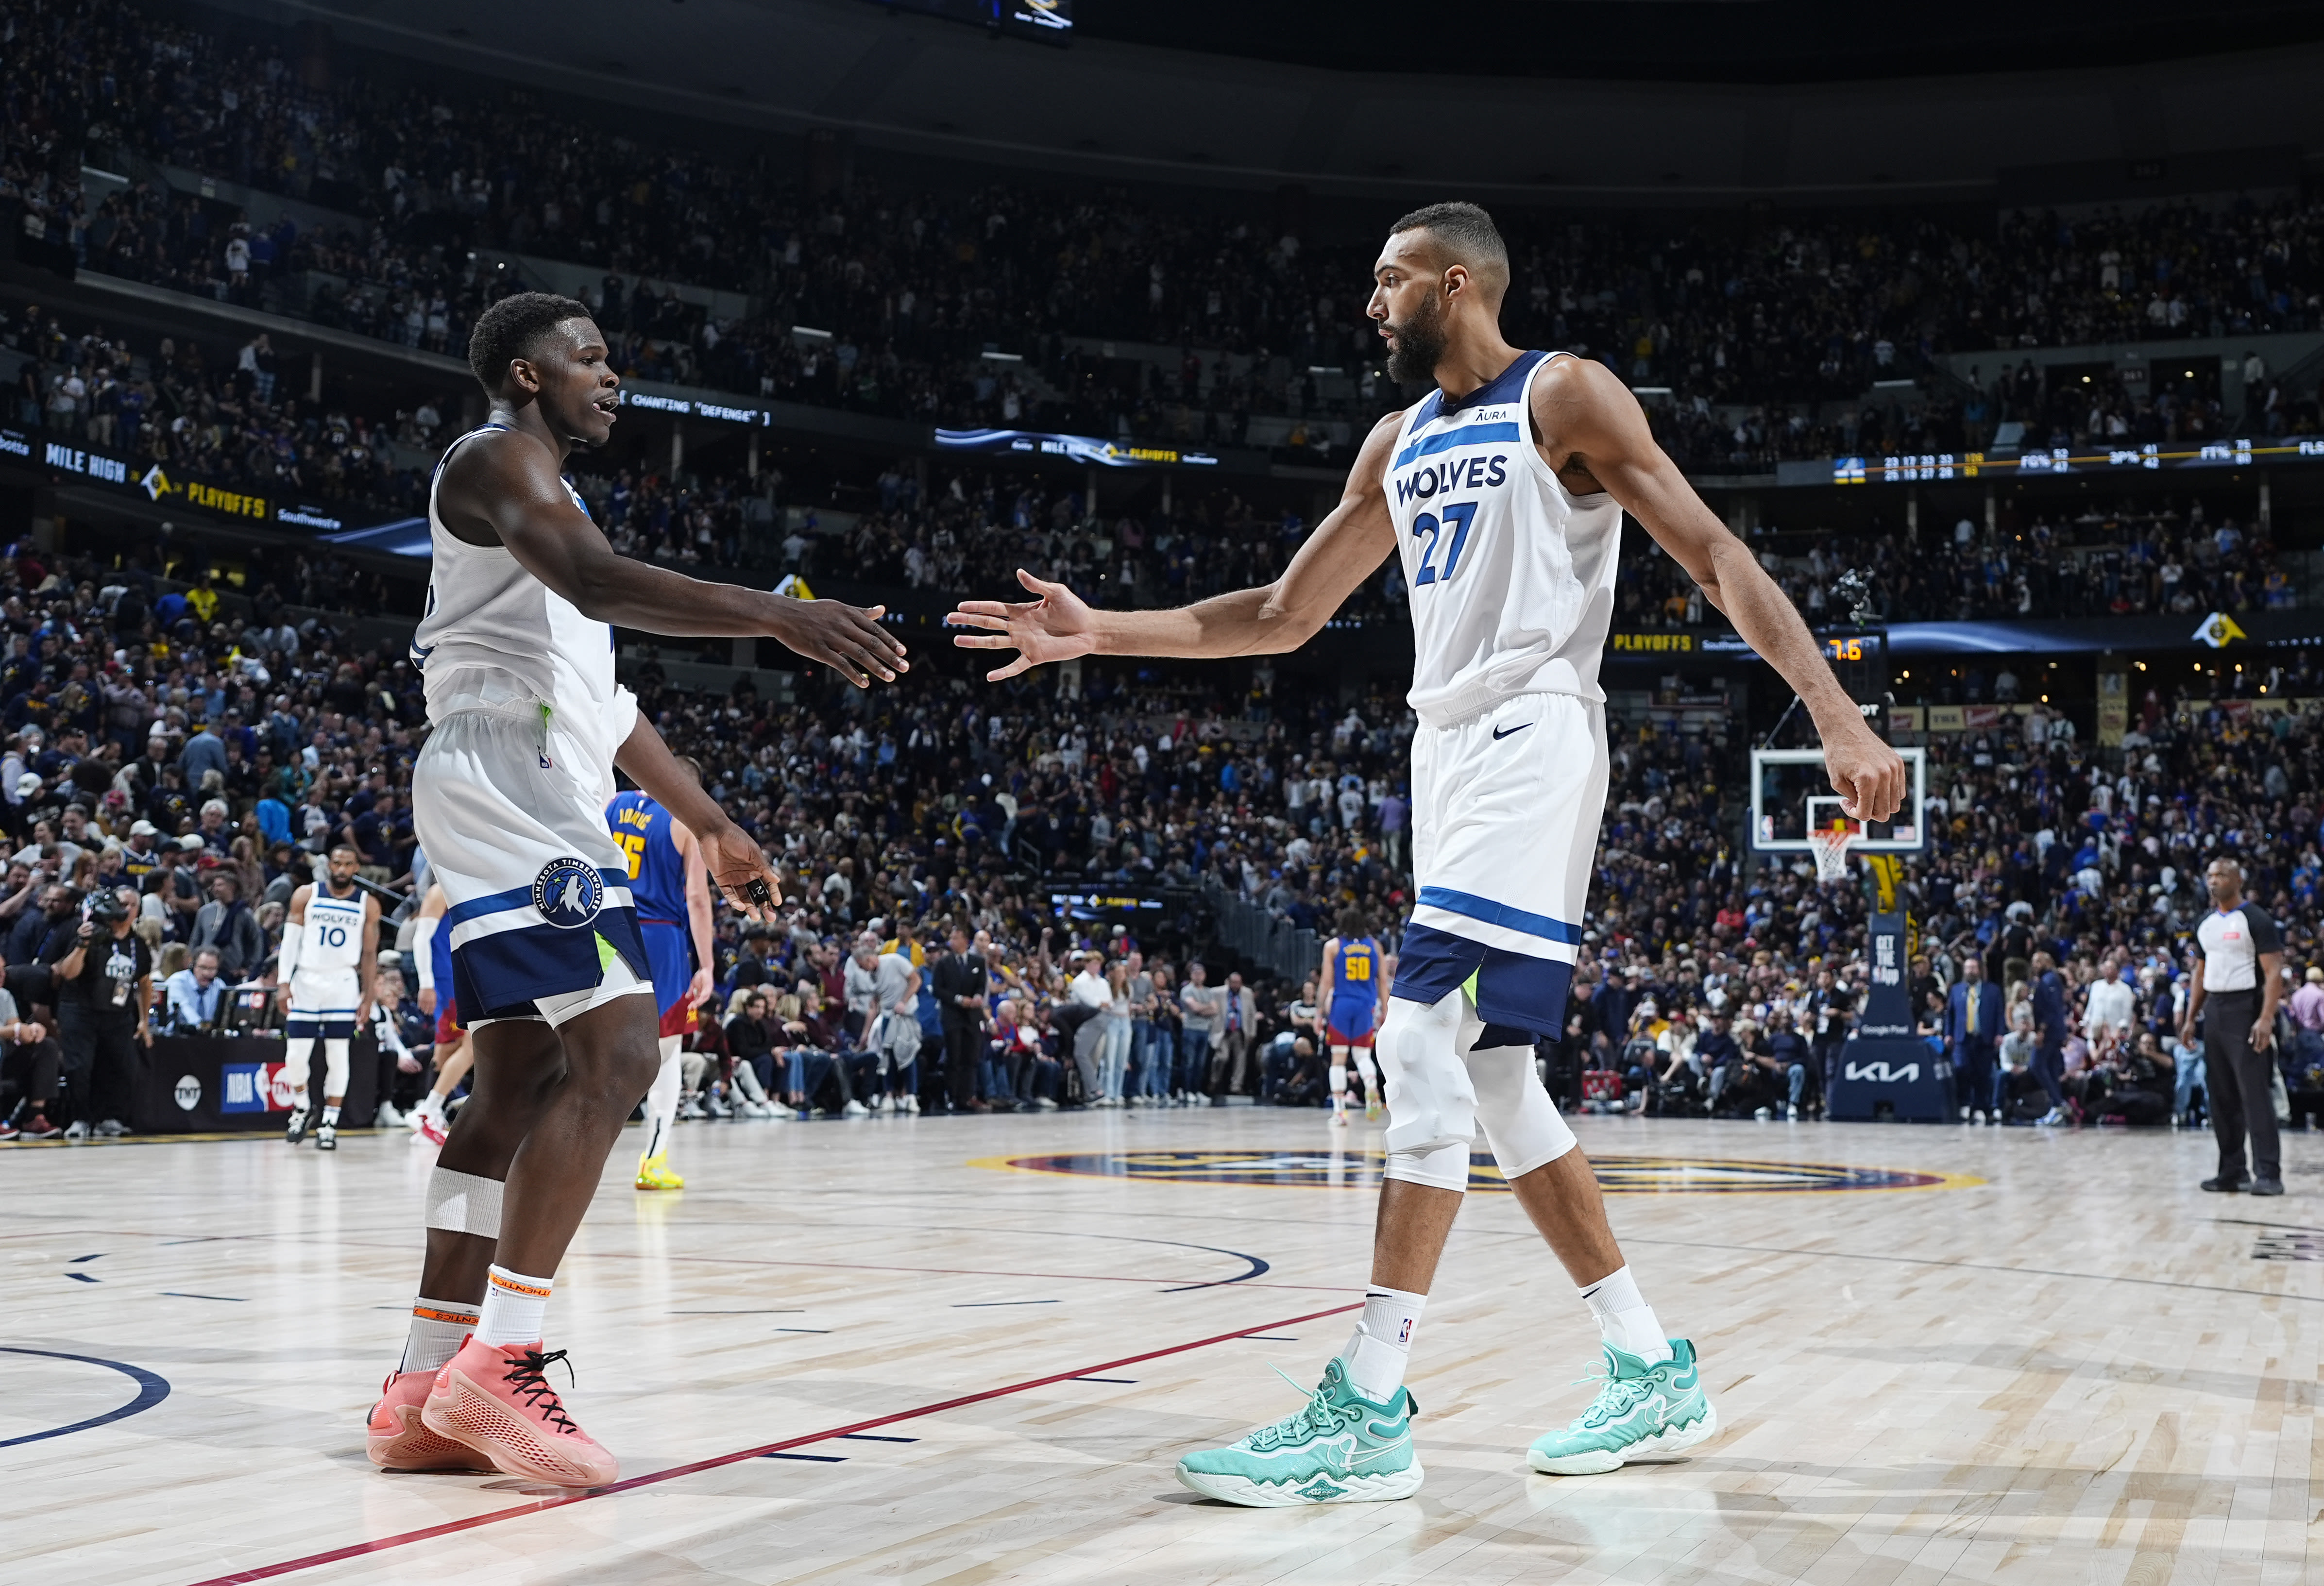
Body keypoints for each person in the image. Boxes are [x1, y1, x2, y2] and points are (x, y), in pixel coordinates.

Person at [949, 201, 1904, 1505]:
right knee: (1497, 1083)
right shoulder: (1395, 442)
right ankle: (1649, 1364)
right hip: (1444, 755)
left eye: (1391, 283)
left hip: (1534, 731)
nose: (1371, 305)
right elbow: (1285, 613)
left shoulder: (1562, 395)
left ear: (1458, 285)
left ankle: (1371, 1400)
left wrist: (1835, 710)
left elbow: (1714, 552)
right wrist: (1101, 630)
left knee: (1411, 1038)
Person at [367, 292, 904, 1486]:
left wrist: (709, 824)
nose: (614, 378)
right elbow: (604, 584)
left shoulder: (549, 505)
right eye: (592, 359)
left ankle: (420, 1382)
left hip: (529, 767)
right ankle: (503, 1361)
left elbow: (608, 709)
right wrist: (779, 612)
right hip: (509, 775)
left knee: (515, 1083)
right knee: (622, 1053)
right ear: (524, 371)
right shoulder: (496, 458)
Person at [607, 771, 716, 1191]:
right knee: (666, 1052)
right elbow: (696, 897)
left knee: (590, 1043)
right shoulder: (683, 822)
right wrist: (706, 964)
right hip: (659, 936)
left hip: (606, 926)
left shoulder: (611, 803)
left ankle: (563, 1148)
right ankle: (653, 1159)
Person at [2183, 857, 2286, 1196]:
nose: (2213, 881)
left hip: (2247, 1008)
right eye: (2209, 875)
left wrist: (2266, 1018)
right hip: (2215, 1009)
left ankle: (2268, 1173)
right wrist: (2189, 1018)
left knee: (2254, 1095)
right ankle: (2232, 1171)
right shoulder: (2205, 923)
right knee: (2221, 1097)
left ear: (2237, 880)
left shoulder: (2255, 919)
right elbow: (2199, 973)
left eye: (2220, 875)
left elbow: (2273, 973)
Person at [276, 843, 380, 1150]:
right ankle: (301, 1107)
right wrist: (284, 982)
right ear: (329, 865)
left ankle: (330, 1123)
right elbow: (289, 943)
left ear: (357, 868)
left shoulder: (368, 903)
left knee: (338, 1056)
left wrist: (368, 995)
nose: (342, 870)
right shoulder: (306, 895)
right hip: (306, 980)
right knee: (295, 1056)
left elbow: (370, 953)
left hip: (343, 983)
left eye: (348, 864)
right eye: (337, 863)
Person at [47, 888, 152, 1140]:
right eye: (121, 903)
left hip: (118, 1014)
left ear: (137, 910)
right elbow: (68, 973)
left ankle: (110, 1118)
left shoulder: (138, 944)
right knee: (80, 1067)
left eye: (131, 905)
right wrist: (82, 945)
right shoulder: (90, 934)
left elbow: (145, 983)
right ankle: (81, 1119)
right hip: (80, 1012)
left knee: (123, 1066)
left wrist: (145, 1021)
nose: (125, 909)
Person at [406, 878, 471, 1147]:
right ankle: (428, 1109)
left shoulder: (464, 886)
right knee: (472, 1046)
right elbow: (421, 938)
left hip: (463, 975)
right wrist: (427, 984)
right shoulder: (440, 889)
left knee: (448, 1047)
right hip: (447, 980)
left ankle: (429, 1110)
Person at [1320, 908, 1390, 1126]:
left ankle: (1340, 1112)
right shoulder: (1375, 946)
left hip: (1342, 1004)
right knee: (1362, 1056)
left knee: (1338, 1059)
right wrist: (1386, 1010)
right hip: (1365, 1006)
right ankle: (1371, 1085)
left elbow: (1326, 982)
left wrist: (1319, 1011)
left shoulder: (1333, 946)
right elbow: (1383, 981)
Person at [932, 924, 991, 1115]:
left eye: (956, 938)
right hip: (953, 1016)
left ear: (965, 941)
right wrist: (958, 1000)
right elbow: (938, 989)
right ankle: (953, 1096)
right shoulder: (944, 963)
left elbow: (982, 985)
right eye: (951, 937)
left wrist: (978, 997)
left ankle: (968, 1096)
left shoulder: (978, 962)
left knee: (971, 1058)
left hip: (972, 1017)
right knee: (954, 1057)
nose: (952, 941)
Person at [1946, 954, 2004, 1125]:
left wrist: (2000, 1033)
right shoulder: (1957, 990)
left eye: (1973, 968)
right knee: (1963, 1070)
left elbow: (1999, 1014)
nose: (1970, 971)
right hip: (1963, 1039)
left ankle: (1982, 1107)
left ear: (1979, 970)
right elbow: (1950, 1015)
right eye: (1968, 968)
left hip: (1984, 1038)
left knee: (1983, 1074)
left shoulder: (1992, 990)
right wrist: (1948, 1034)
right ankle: (1966, 1104)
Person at [162, 944, 227, 1032]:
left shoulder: (219, 985)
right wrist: (201, 1026)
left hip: (209, 1039)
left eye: (212, 969)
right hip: (178, 1036)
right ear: (193, 966)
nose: (206, 973)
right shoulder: (177, 981)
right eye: (202, 967)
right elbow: (184, 1009)